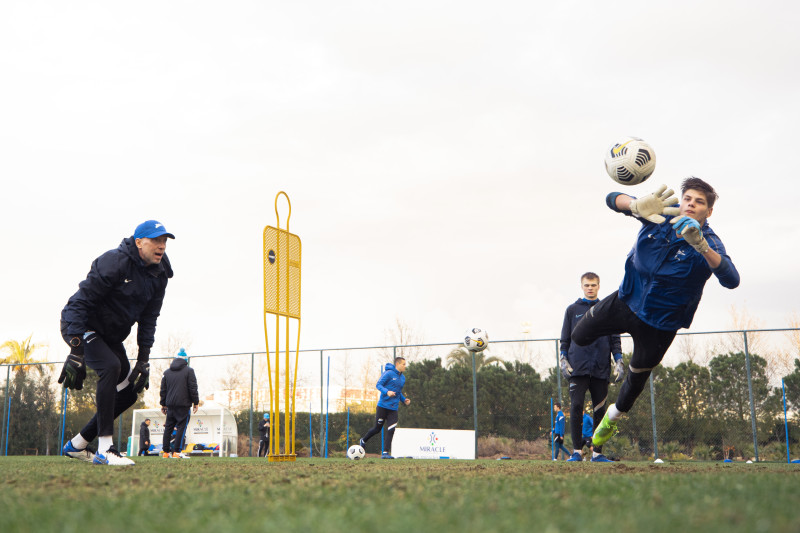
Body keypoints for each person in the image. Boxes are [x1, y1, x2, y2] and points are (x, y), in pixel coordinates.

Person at [571, 177, 739, 449]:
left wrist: (702, 247)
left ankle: (611, 417)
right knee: (579, 336)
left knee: (634, 385)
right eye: (688, 199)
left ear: (708, 212)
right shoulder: (659, 215)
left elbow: (731, 279)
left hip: (660, 325)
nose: (691, 205)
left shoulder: (709, 242)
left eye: (699, 202)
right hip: (625, 301)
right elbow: (612, 198)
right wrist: (635, 205)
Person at [59, 220, 175, 466]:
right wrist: (77, 349)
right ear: (139, 242)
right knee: (110, 366)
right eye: (155, 240)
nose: (161, 246)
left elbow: (149, 319)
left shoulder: (160, 273)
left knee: (128, 394)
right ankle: (105, 449)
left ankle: (77, 445)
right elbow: (80, 303)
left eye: (164, 241)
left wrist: (143, 360)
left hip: (109, 336)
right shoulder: (114, 262)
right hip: (79, 325)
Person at [559, 272, 623, 463]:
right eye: (587, 285)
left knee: (599, 411)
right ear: (582, 286)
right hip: (577, 369)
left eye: (593, 285)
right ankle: (577, 452)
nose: (590, 288)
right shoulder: (572, 310)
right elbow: (565, 339)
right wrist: (563, 359)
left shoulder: (608, 309)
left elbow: (615, 338)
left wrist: (618, 360)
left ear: (598, 286)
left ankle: (597, 453)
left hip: (600, 368)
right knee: (577, 407)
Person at [359, 357, 411, 458]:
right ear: (398, 364)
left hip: (393, 408)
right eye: (403, 364)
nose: (405, 366)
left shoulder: (403, 378)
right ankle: (363, 440)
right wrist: (387, 392)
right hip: (383, 406)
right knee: (377, 429)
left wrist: (404, 400)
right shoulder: (388, 373)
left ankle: (385, 453)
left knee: (391, 429)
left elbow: (398, 393)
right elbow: (378, 385)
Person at [160, 348, 199, 459]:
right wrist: (195, 402)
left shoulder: (167, 373)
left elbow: (163, 389)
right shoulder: (189, 371)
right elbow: (193, 388)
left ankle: (166, 453)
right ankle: (177, 452)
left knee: (168, 428)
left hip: (170, 405)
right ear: (186, 360)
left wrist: (163, 404)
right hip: (183, 405)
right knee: (182, 427)